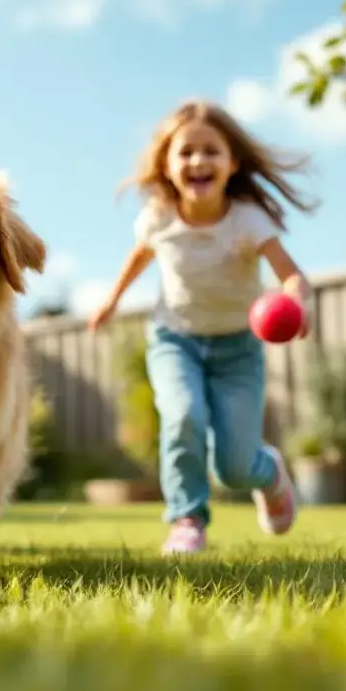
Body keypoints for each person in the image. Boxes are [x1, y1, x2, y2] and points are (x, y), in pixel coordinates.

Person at [88, 99, 317, 555]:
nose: (198, 160)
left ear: (232, 164)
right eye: (186, 152)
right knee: (182, 416)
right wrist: (111, 300)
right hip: (175, 340)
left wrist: (296, 299)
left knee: (234, 468)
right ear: (167, 166)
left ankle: (268, 472)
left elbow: (291, 274)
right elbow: (139, 256)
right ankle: (187, 519)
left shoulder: (248, 220)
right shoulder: (158, 217)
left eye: (211, 151)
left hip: (237, 350)